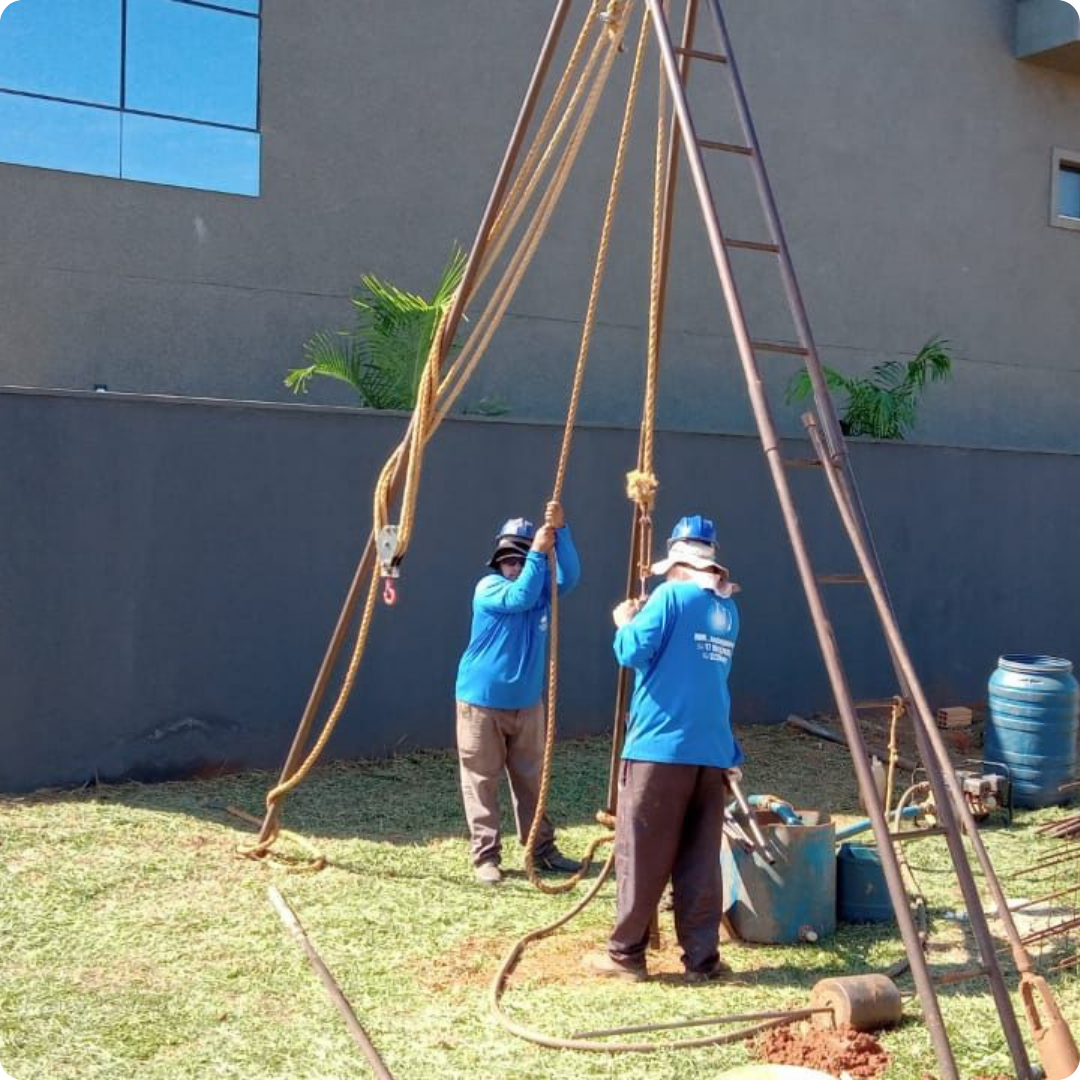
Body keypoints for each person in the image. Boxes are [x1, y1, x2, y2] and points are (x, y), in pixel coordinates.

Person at [584, 513, 742, 982]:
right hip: (710, 749)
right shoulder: (728, 609)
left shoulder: (669, 597)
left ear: (675, 558)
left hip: (659, 746)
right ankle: (701, 959)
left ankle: (626, 954)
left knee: (643, 851)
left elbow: (631, 651)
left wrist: (624, 620)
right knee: (699, 858)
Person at [454, 500, 583, 885]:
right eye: (508, 559)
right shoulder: (490, 588)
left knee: (532, 780)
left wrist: (562, 532)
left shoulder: (542, 589)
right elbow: (520, 597)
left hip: (527, 705)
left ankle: (541, 849)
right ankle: (486, 857)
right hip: (480, 705)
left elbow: (570, 578)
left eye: (521, 558)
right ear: (498, 562)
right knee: (481, 780)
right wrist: (539, 554)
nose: (513, 566)